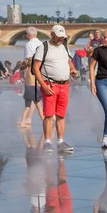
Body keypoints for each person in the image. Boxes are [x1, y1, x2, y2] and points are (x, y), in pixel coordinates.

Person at [32, 24, 79, 154]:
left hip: (64, 85)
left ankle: (60, 141)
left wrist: (73, 69)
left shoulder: (64, 46)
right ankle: (47, 142)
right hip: (50, 85)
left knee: (61, 115)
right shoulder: (43, 47)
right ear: (52, 35)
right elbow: (36, 68)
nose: (61, 40)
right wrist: (43, 85)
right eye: (59, 37)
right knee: (48, 115)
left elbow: (68, 61)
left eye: (63, 38)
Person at [18, 26, 44, 128]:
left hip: (32, 73)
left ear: (28, 34)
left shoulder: (29, 45)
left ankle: (28, 119)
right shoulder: (41, 44)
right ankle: (28, 119)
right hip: (42, 72)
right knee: (36, 96)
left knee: (31, 97)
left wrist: (22, 71)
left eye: (26, 34)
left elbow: (29, 60)